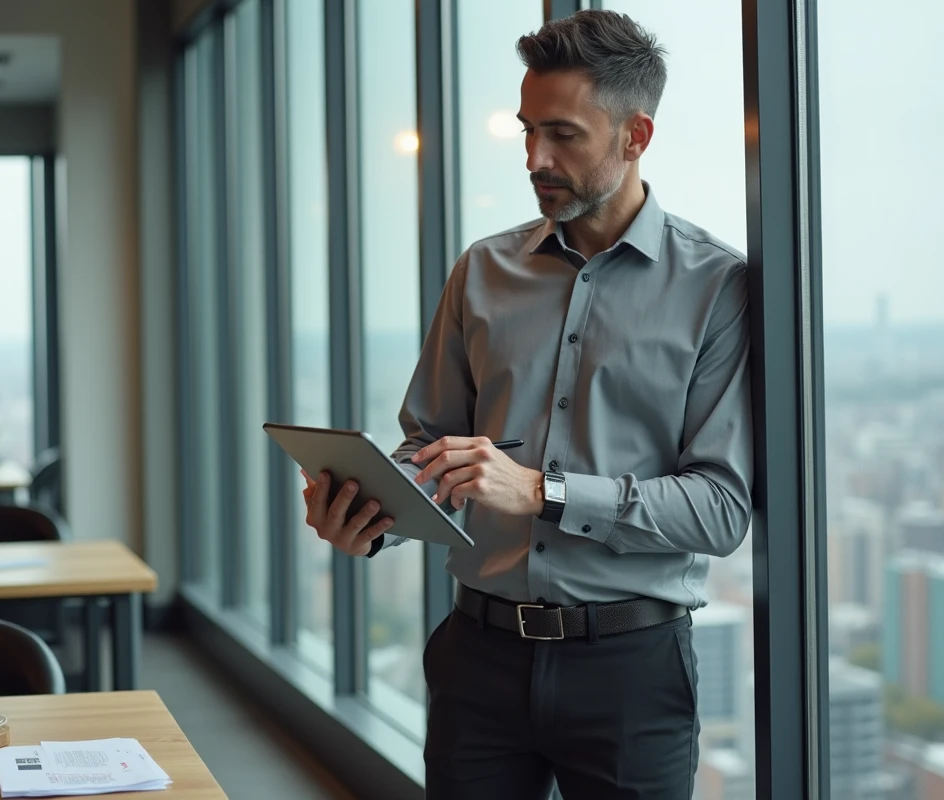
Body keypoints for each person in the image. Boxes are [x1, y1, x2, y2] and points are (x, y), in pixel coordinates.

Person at [302, 9, 752, 799]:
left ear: (635, 136)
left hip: (630, 673)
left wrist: (543, 491)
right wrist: (372, 515)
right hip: (478, 659)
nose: (535, 158)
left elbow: (719, 511)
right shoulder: (482, 270)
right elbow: (431, 447)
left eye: (562, 134)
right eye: (527, 131)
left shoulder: (716, 287)